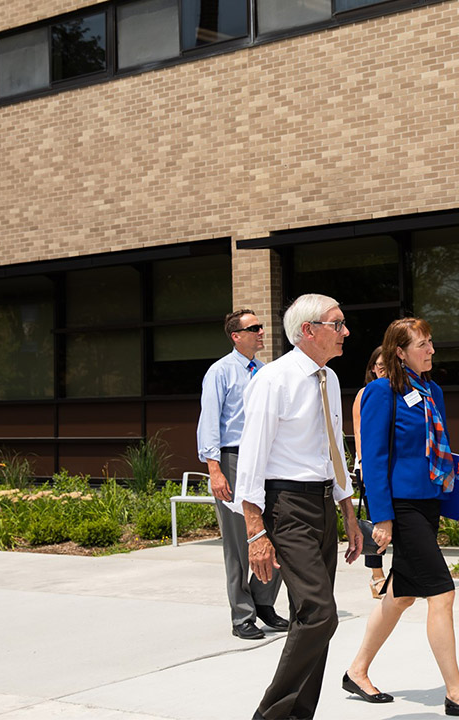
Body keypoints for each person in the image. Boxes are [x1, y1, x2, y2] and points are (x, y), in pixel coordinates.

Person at [343, 317, 459, 718]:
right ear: (400, 351)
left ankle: (356, 670)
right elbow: (376, 460)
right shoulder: (381, 393)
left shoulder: (433, 391)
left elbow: (442, 457)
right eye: (423, 344)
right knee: (443, 592)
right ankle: (456, 692)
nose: (431, 350)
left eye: (431, 342)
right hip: (403, 507)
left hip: (429, 503)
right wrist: (382, 517)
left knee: (401, 595)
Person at [234, 294, 364, 720]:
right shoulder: (274, 380)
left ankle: (298, 716)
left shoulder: (328, 378)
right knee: (320, 613)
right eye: (338, 324)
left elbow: (335, 452)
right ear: (308, 330)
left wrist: (348, 514)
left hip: (323, 503)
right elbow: (251, 460)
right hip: (286, 506)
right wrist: (256, 532)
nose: (346, 332)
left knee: (313, 618)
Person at [196, 309, 287, 640]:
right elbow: (209, 422)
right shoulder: (220, 372)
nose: (261, 332)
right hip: (232, 459)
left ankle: (263, 603)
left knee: (275, 531)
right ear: (236, 336)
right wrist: (215, 470)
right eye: (254, 328)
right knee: (238, 542)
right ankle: (242, 615)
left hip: (265, 459)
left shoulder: (265, 373)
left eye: (261, 327)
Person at [352, 346, 389, 599]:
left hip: (394, 466)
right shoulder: (365, 393)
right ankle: (377, 576)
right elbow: (359, 431)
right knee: (375, 523)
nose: (383, 369)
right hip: (370, 466)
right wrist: (363, 464)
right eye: (379, 365)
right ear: (372, 368)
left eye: (388, 365)